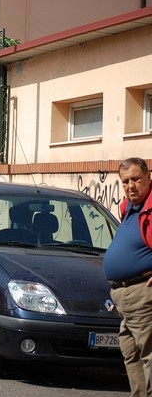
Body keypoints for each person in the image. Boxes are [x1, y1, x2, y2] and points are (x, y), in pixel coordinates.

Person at [103, 157, 152, 397]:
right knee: (131, 354)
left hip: (143, 294)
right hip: (124, 298)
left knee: (149, 355)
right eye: (125, 182)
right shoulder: (130, 208)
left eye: (136, 179)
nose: (130, 186)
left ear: (148, 177)